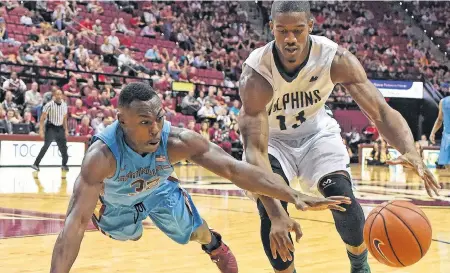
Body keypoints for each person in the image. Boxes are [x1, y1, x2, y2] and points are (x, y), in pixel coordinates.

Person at [49, 82, 350, 273]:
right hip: (118, 201)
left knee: (191, 231)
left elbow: (234, 169)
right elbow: (73, 226)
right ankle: (122, 221)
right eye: (144, 122)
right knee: (127, 234)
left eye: (160, 117)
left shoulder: (178, 141)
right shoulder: (100, 159)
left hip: (158, 189)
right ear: (122, 121)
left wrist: (292, 194)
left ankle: (215, 245)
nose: (155, 128)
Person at [237, 1, 441, 273]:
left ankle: (359, 264)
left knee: (341, 195)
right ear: (271, 27)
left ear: (310, 26)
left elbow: (380, 111)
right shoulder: (256, 74)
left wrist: (410, 149)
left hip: (317, 134)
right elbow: (255, 152)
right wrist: (275, 213)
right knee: (272, 210)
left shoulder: (334, 59)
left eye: (298, 30)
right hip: (271, 142)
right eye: (282, 31)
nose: (290, 39)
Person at [31, 89, 69, 172]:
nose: (59, 96)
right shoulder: (49, 105)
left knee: (64, 148)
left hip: (60, 128)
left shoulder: (64, 105)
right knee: (46, 146)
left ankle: (64, 165)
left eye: (60, 94)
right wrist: (41, 130)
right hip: (51, 127)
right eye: (57, 94)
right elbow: (42, 118)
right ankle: (36, 164)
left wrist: (66, 130)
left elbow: (65, 118)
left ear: (62, 95)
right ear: (54, 96)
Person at [430, 96, 450, 167]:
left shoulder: (443, 102)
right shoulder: (443, 102)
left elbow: (439, 119)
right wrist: (432, 132)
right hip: (447, 137)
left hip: (447, 137)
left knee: (447, 167)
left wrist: (433, 132)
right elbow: (439, 119)